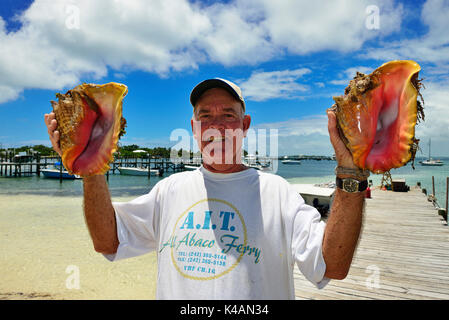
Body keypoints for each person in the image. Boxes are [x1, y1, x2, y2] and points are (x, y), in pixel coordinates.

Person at [44, 78, 367, 299]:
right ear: (194, 128)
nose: (217, 126)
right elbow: (108, 240)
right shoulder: (168, 190)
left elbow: (332, 266)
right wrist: (90, 169)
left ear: (245, 125)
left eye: (228, 115)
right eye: (205, 116)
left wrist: (350, 172)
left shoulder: (277, 193)